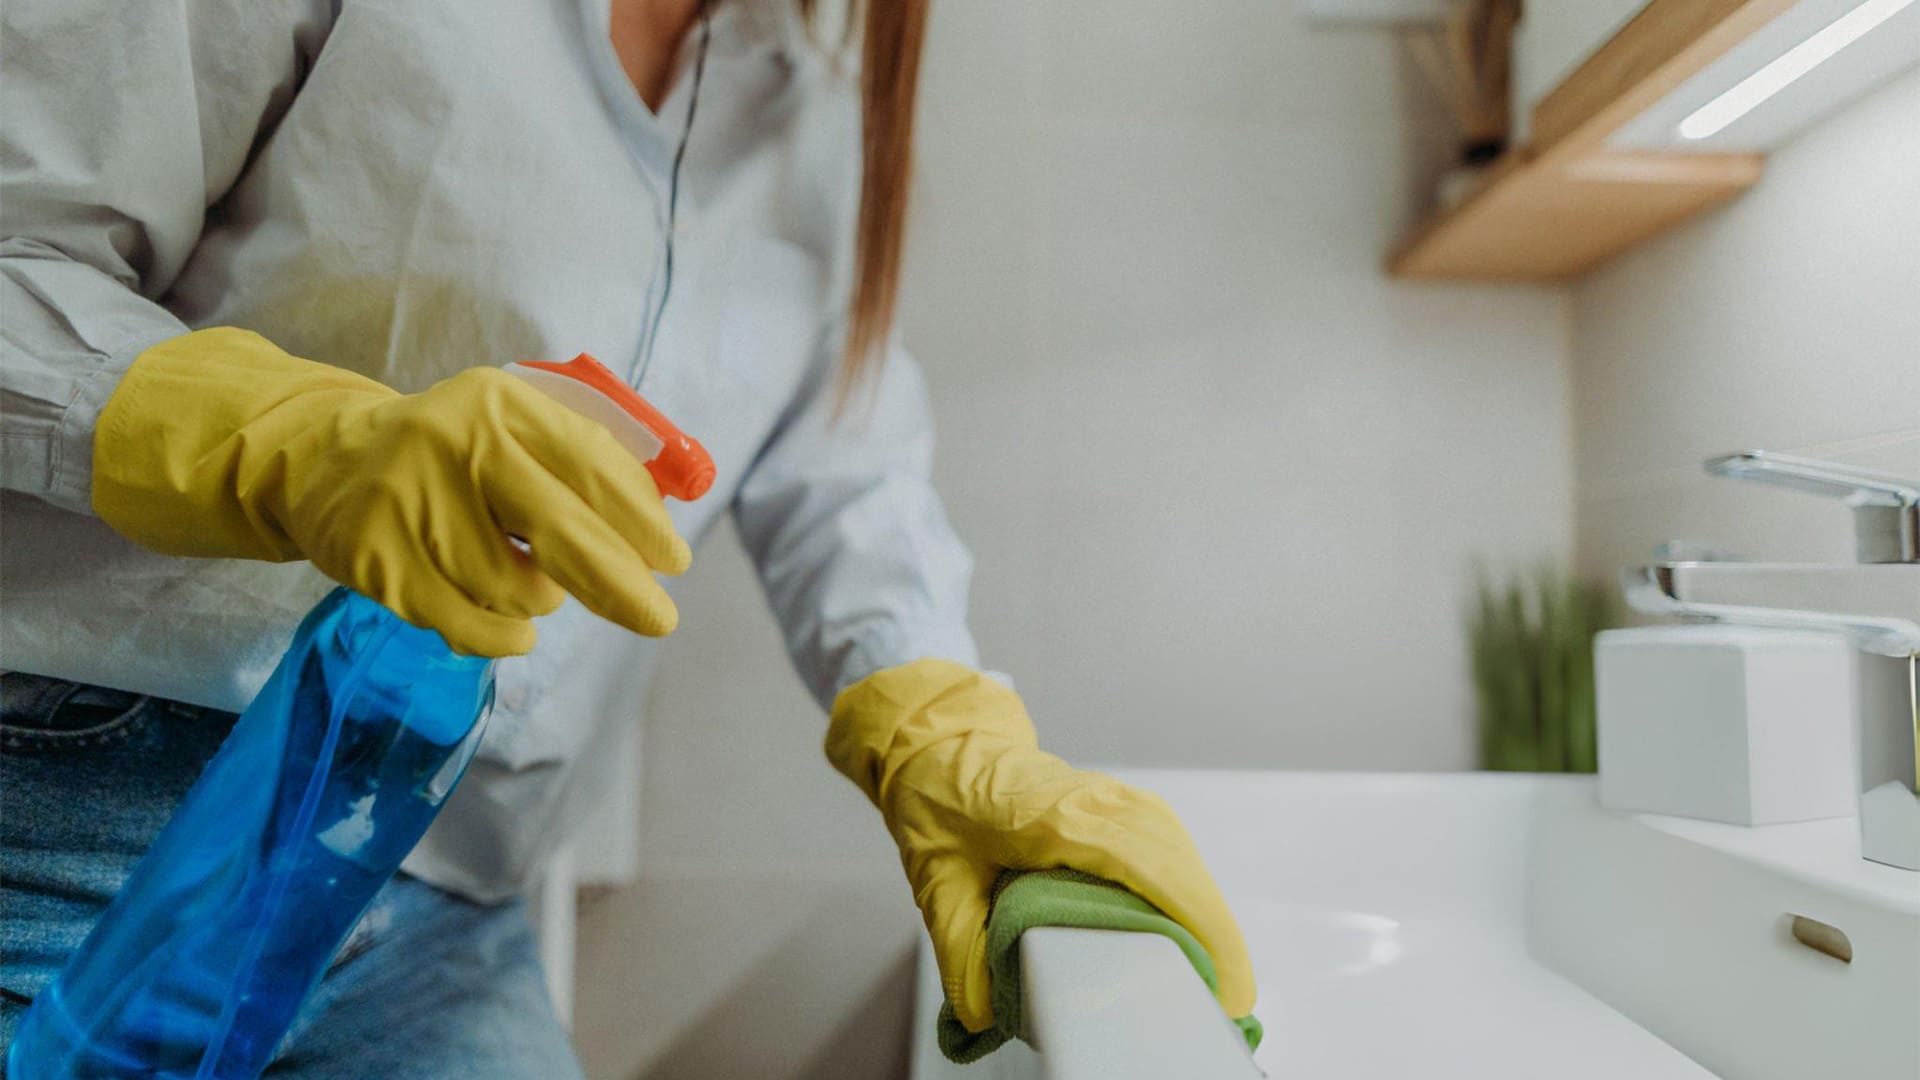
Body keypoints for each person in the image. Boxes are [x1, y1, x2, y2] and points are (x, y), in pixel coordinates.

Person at [0, 0, 1256, 1074]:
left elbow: (843, 467)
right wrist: (295, 442)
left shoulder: (801, 101)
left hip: (441, 888)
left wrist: (937, 727)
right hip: (100, 793)